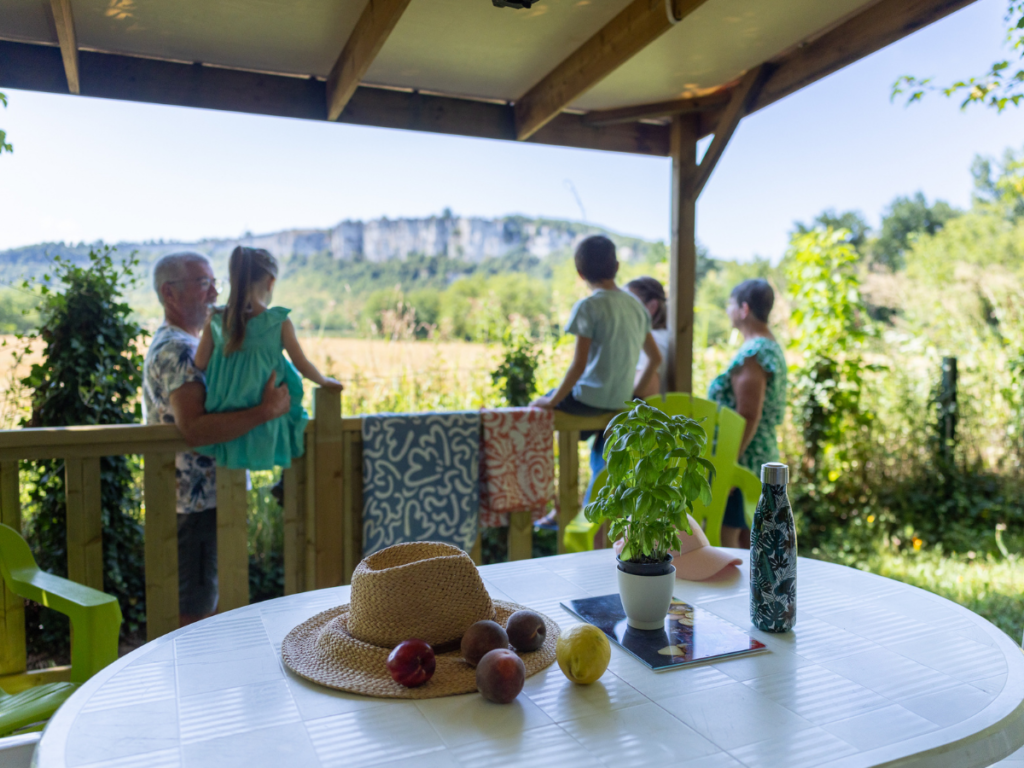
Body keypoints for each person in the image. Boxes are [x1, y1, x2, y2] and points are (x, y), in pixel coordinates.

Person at [143, 251, 291, 626]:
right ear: (169, 294)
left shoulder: (192, 345)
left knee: (208, 603)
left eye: (215, 282)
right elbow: (195, 429)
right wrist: (265, 411)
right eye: (203, 283)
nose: (214, 293)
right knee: (194, 616)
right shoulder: (177, 349)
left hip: (206, 499)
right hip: (195, 503)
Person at [531, 235, 661, 508]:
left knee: (532, 412)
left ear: (580, 274)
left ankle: (544, 503)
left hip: (587, 400)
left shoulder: (588, 306)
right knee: (605, 451)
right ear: (616, 266)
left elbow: (579, 365)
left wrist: (551, 401)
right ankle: (596, 507)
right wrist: (633, 393)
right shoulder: (637, 307)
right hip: (621, 403)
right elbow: (655, 358)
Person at [194, 246, 342, 470]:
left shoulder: (216, 320)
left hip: (223, 415)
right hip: (265, 418)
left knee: (230, 481)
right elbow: (300, 363)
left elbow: (200, 363)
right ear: (271, 282)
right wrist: (324, 381)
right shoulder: (277, 321)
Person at [707, 278, 788, 548]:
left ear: (744, 309)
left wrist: (729, 466)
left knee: (729, 541)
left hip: (745, 459)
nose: (727, 310)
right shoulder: (770, 346)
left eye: (730, 304)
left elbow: (748, 414)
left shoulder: (754, 352)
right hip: (757, 453)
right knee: (750, 543)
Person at [626, 276, 669, 397]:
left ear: (652, 306)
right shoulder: (663, 337)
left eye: (630, 304)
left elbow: (646, 393)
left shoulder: (653, 342)